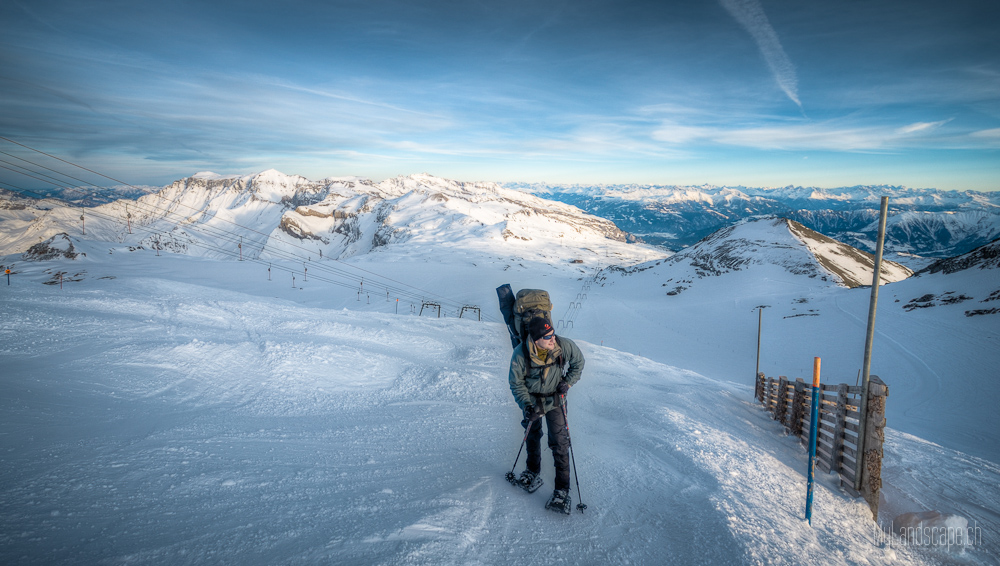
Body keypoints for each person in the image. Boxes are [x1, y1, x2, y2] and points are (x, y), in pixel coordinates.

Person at [508, 316, 585, 511]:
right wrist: (526, 406)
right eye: (547, 336)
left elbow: (579, 361)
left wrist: (567, 382)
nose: (553, 338)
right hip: (532, 401)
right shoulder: (521, 353)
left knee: (560, 442)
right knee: (532, 435)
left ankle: (562, 490)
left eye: (552, 333)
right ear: (535, 339)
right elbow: (516, 383)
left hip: (555, 400)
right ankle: (532, 472)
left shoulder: (563, 345)